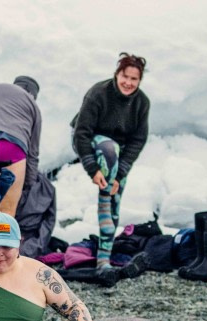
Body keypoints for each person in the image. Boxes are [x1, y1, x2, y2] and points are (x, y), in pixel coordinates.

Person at [71, 53, 150, 269]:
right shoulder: (98, 93)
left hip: (117, 156)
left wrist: (120, 175)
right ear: (117, 74)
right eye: (125, 76)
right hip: (89, 142)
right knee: (109, 148)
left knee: (117, 193)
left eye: (134, 79)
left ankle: (103, 257)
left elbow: (137, 140)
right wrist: (92, 169)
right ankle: (105, 197)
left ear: (139, 81)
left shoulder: (142, 102)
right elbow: (81, 133)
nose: (128, 83)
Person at [0, 76, 41, 217]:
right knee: (6, 212)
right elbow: (33, 153)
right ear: (33, 94)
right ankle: (0, 238)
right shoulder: (32, 105)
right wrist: (27, 184)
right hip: (11, 150)